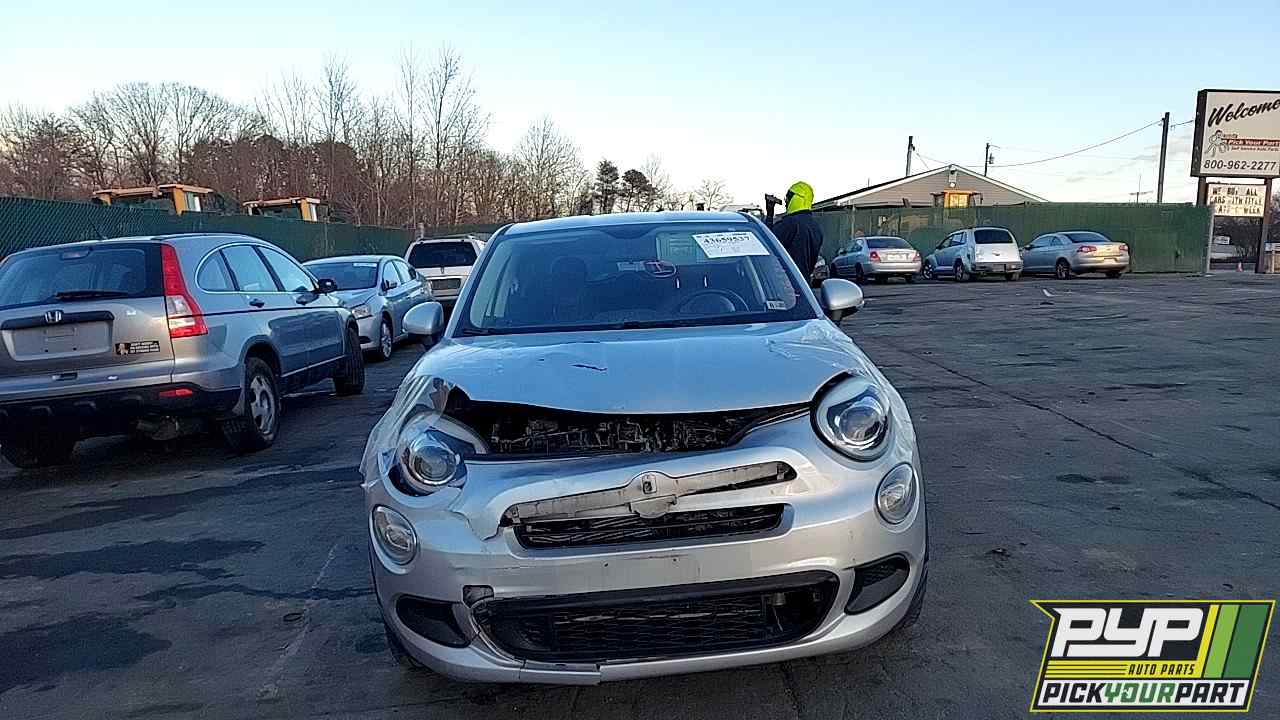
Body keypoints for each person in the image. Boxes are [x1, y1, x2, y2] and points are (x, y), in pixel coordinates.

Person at [769, 181, 823, 278]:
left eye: (788, 197)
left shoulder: (790, 224)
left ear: (797, 198)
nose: (786, 201)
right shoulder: (815, 227)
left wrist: (769, 214)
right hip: (803, 283)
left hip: (785, 283)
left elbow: (766, 243)